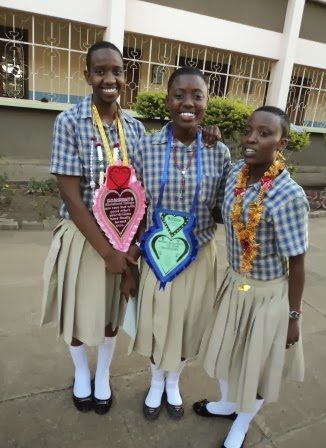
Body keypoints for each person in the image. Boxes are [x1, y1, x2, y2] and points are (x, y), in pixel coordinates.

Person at [193, 106, 309, 448]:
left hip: (268, 296)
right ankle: (228, 404)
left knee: (256, 366)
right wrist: (208, 140)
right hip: (234, 283)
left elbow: (298, 264)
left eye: (264, 134)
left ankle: (242, 424)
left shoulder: (289, 196)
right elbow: (218, 211)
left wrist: (293, 316)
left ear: (281, 143)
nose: (251, 139)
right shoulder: (234, 174)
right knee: (229, 353)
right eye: (248, 131)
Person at [41, 40, 145, 415]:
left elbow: (143, 190)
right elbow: (71, 196)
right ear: (87, 76)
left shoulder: (133, 127)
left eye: (116, 70)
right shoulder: (69, 121)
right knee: (76, 314)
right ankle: (81, 373)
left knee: (110, 315)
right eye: (99, 71)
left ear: (124, 75)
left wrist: (130, 251)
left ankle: (103, 375)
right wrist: (107, 253)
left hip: (124, 240)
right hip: (83, 238)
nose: (109, 78)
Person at [129, 66, 231, 420]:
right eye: (179, 95)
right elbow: (137, 204)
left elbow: (223, 208)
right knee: (158, 323)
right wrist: (130, 252)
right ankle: (156, 382)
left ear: (206, 102)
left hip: (200, 253)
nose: (188, 102)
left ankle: (175, 382)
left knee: (189, 323)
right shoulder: (146, 147)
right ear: (168, 100)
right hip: (157, 256)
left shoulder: (219, 152)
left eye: (197, 96)